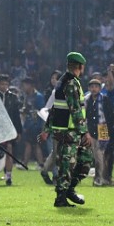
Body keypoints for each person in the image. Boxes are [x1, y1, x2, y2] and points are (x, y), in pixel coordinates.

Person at [41, 52, 92, 207]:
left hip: (68, 131)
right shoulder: (70, 83)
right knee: (67, 165)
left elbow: (54, 108)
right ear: (80, 66)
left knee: (84, 160)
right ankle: (61, 197)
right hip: (69, 131)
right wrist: (85, 132)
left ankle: (69, 190)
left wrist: (47, 128)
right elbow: (75, 109)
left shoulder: (63, 82)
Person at [85, 79, 114, 186]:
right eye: (92, 86)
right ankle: (101, 178)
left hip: (103, 128)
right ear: (89, 88)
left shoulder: (105, 99)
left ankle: (100, 178)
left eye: (96, 86)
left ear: (99, 88)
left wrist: (110, 128)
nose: (94, 89)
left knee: (101, 155)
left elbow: (111, 115)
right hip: (92, 129)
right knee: (97, 156)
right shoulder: (87, 100)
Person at [0, 74, 22, 186]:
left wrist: (19, 131)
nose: (4, 86)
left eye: (6, 84)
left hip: (9, 128)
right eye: (2, 84)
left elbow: (16, 116)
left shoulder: (13, 97)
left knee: (9, 150)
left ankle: (8, 176)